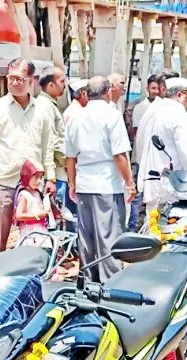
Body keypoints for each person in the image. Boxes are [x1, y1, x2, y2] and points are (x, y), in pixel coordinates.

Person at [0, 58, 56, 254]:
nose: (13, 83)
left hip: (33, 186)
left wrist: (51, 178)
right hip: (3, 183)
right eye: (10, 78)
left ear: (31, 80)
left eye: (19, 79)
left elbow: (48, 147)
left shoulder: (43, 111)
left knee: (34, 238)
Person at [65, 75, 134, 283]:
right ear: (107, 92)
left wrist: (72, 182)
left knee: (87, 237)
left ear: (87, 93)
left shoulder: (76, 117)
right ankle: (110, 283)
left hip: (84, 182)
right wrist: (130, 182)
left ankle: (88, 281)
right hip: (107, 182)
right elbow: (119, 155)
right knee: (109, 236)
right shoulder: (111, 115)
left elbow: (70, 157)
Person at [136, 77, 187, 211]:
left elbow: (139, 147)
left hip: (154, 181)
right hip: (177, 186)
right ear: (179, 95)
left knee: (153, 228)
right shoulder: (179, 116)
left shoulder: (153, 112)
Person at [127, 74, 167, 232]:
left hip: (159, 161)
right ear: (147, 89)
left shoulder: (164, 108)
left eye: (159, 89)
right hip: (142, 158)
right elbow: (137, 133)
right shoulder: (140, 108)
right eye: (153, 88)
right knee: (139, 196)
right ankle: (134, 228)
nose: (156, 92)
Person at [35, 67, 74, 231]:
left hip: (56, 170)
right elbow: (53, 142)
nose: (64, 85)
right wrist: (68, 162)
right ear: (50, 85)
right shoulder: (46, 107)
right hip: (56, 172)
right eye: (61, 81)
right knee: (57, 216)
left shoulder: (48, 104)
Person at [14, 159, 50, 241]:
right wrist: (37, 216)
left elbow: (45, 210)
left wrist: (47, 198)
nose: (39, 181)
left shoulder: (37, 193)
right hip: (30, 232)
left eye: (41, 177)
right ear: (27, 176)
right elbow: (19, 215)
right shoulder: (24, 194)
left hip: (41, 229)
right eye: (36, 177)